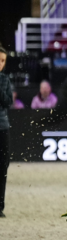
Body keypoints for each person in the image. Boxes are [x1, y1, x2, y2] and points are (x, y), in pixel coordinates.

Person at [0, 44, 12, 217]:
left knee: (2, 167)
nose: (0, 64)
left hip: (2, 127)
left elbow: (7, 102)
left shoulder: (4, 80)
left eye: (2, 61)